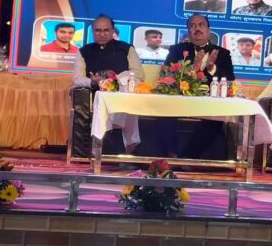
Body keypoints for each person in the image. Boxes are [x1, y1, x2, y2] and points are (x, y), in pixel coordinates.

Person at [160, 14, 235, 158]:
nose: (197, 29)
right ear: (188, 32)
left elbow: (230, 79)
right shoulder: (177, 50)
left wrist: (212, 68)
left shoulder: (222, 53)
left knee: (215, 121)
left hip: (209, 103)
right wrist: (192, 68)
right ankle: (171, 155)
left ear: (208, 30)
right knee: (163, 115)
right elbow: (166, 75)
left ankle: (187, 159)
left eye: (201, 25)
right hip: (180, 100)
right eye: (192, 26)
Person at [72, 15, 145, 152]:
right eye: (98, 30)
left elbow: (139, 74)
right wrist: (93, 82)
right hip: (96, 95)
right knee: (102, 101)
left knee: (130, 102)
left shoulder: (126, 49)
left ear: (112, 31)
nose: (102, 34)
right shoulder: (83, 51)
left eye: (106, 30)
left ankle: (129, 148)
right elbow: (77, 79)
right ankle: (97, 148)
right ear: (92, 31)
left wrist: (118, 80)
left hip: (123, 94)